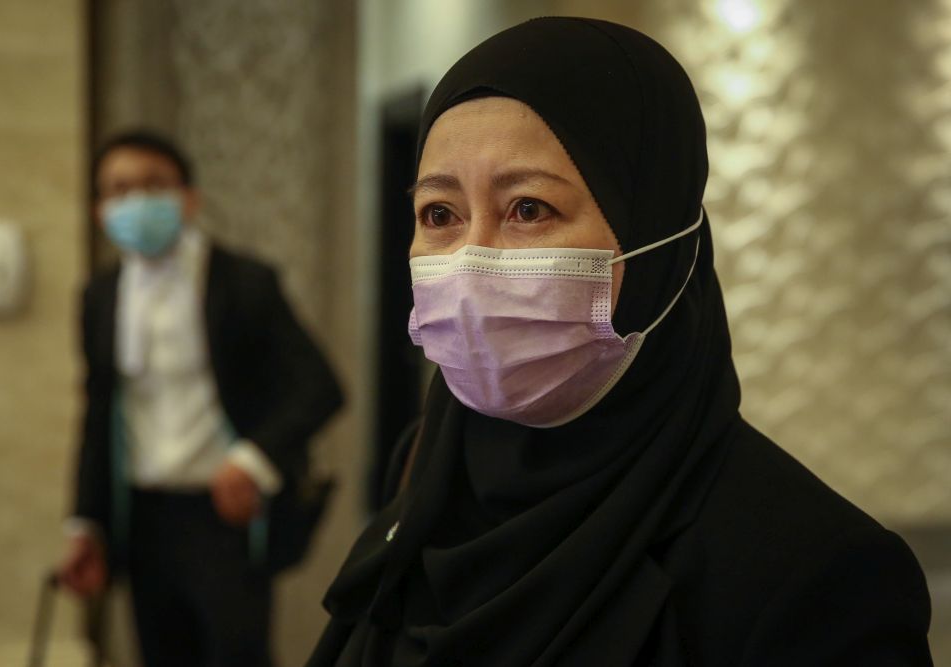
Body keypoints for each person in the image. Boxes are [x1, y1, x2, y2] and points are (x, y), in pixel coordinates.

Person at [307, 17, 933, 667]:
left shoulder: (818, 577)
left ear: (657, 239)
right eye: (440, 214)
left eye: (528, 208)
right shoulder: (428, 471)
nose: (470, 265)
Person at [58, 130, 343, 666]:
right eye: (118, 190)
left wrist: (251, 460)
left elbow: (320, 387)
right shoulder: (99, 296)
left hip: (225, 517)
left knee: (238, 656)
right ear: (99, 210)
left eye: (152, 185)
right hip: (141, 516)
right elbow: (98, 416)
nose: (135, 202)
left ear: (188, 198)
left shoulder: (245, 282)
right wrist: (84, 525)